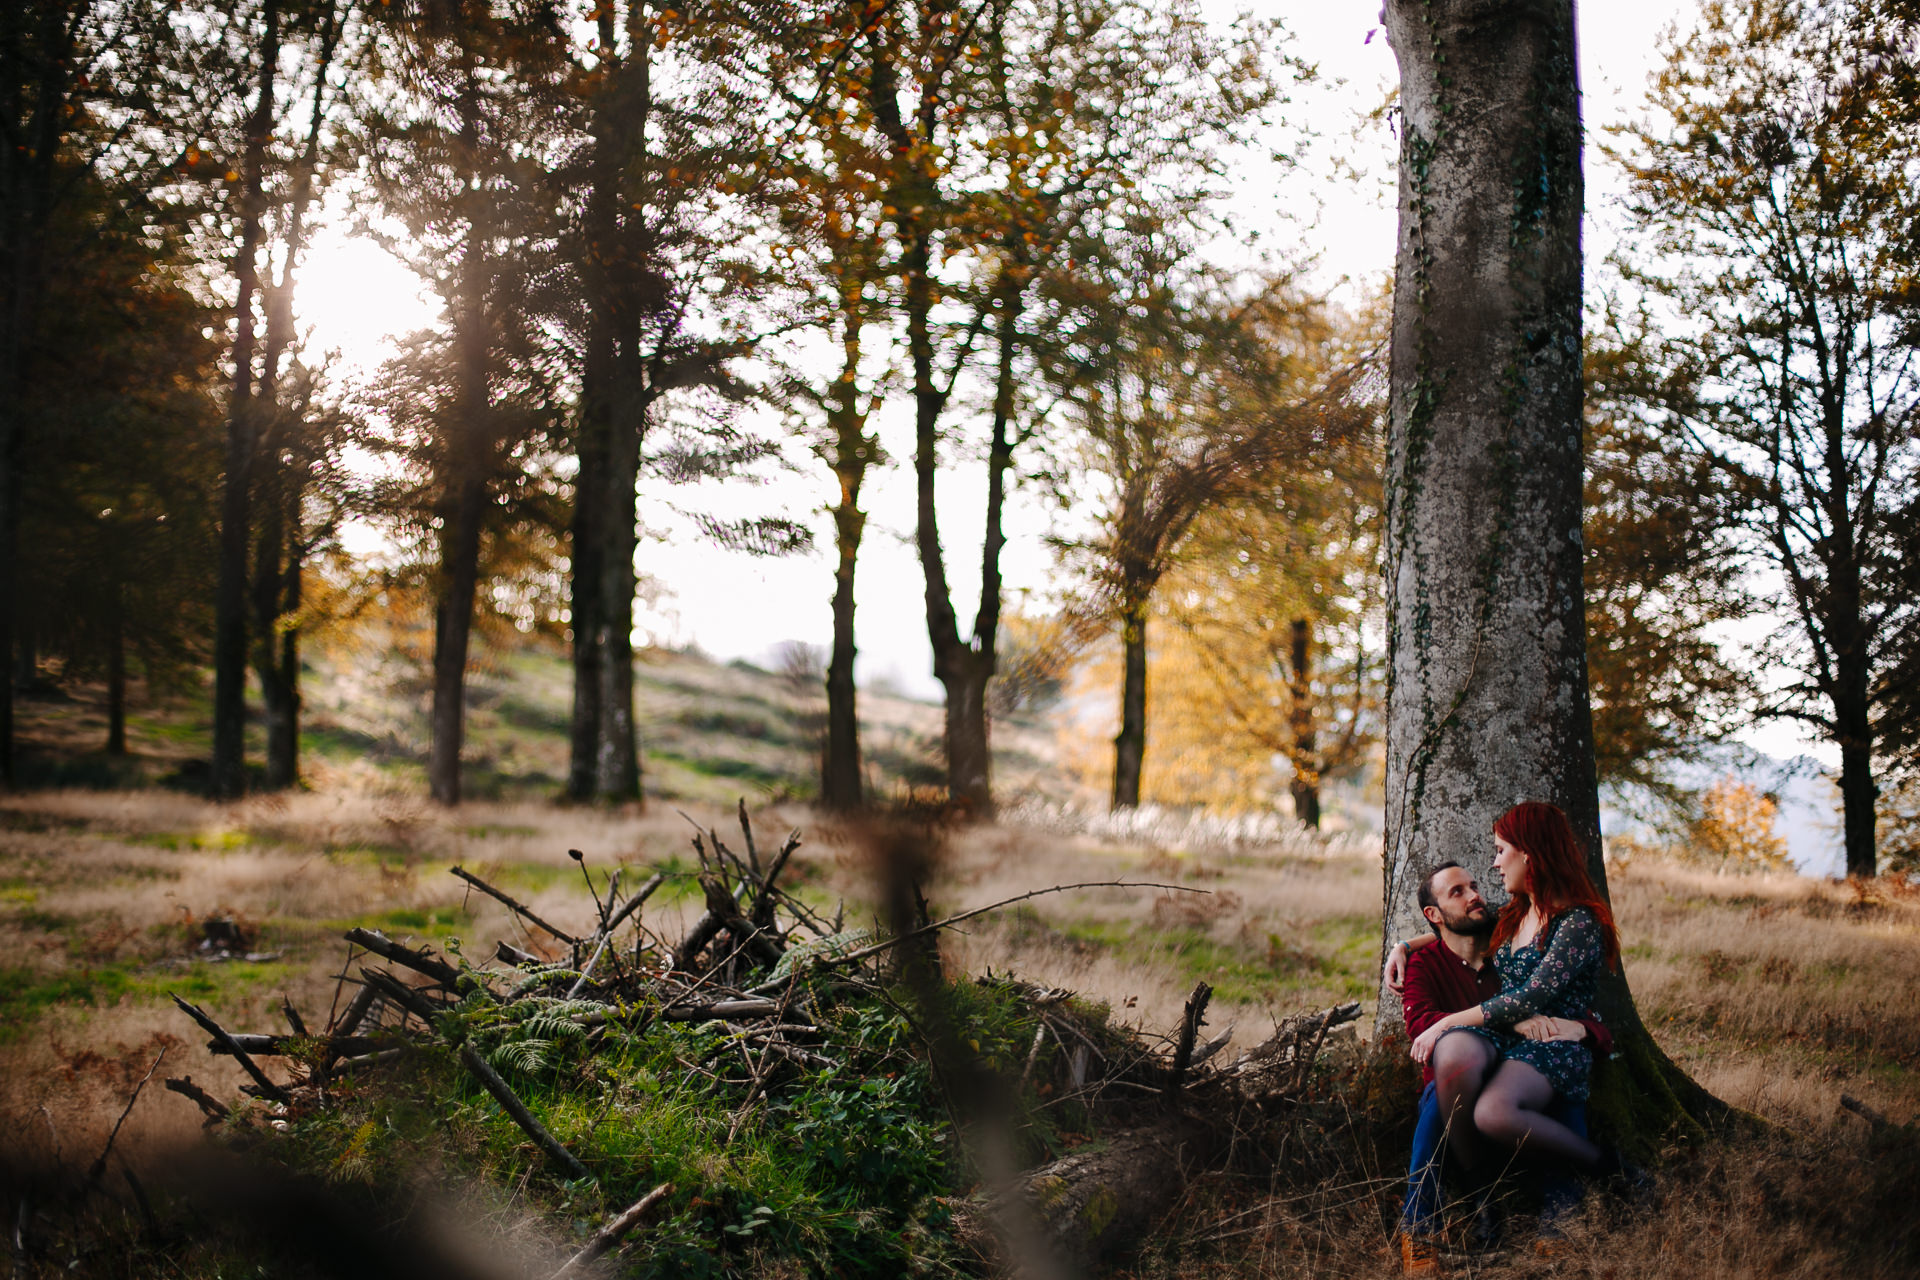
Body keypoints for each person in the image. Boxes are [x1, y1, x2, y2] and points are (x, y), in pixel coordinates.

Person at [1388, 858, 1612, 1273]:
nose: (1474, 895)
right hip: (1458, 1094)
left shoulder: (1509, 947)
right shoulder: (1424, 965)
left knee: (1560, 1079)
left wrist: (1574, 1030)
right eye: (1458, 892)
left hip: (1516, 1081)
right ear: (1433, 915)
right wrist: (1403, 948)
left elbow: (1561, 1005)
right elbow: (1422, 1026)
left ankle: (1560, 1220)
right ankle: (1422, 1227)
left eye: (1473, 886)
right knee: (1441, 1095)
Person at [1405, 803, 1629, 1205]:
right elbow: (1457, 925)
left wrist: (1444, 1024)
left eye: (1500, 850)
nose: (1495, 864)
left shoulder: (1576, 922)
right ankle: (1479, 1201)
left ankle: (1613, 1170)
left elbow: (1530, 997)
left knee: (1493, 1114)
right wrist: (1402, 946)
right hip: (1514, 1041)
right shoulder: (1516, 914)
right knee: (1469, 1092)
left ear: (1528, 853)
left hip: (1554, 1044)